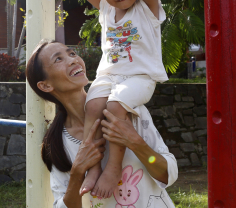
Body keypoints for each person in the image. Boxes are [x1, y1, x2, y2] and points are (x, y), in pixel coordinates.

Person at [27, 40, 177, 207]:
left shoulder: (123, 106)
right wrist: (78, 172)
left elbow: (168, 174)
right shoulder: (58, 143)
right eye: (58, 59)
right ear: (45, 85)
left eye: (71, 53)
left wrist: (135, 142)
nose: (73, 60)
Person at [74, 0, 169, 198]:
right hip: (109, 75)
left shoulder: (148, 8)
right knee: (92, 106)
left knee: (114, 107)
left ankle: (113, 168)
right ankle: (93, 168)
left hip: (140, 77)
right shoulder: (106, 7)